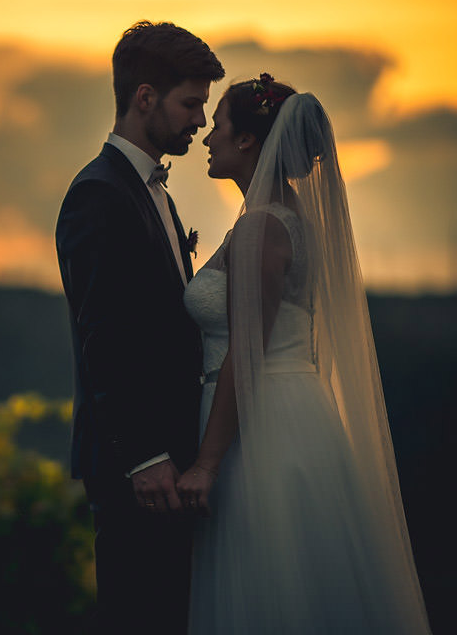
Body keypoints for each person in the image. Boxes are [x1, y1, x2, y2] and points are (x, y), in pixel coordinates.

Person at [177, 75, 433, 633]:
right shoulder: (280, 220)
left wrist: (206, 463)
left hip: (262, 425)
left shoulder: (262, 229)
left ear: (246, 141)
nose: (207, 137)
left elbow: (246, 354)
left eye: (217, 124)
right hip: (292, 409)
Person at [55, 20, 224, 633]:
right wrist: (144, 456)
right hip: (139, 471)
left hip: (171, 460)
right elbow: (106, 337)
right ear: (145, 97)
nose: (200, 122)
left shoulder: (153, 192)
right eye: (191, 104)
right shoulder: (99, 195)